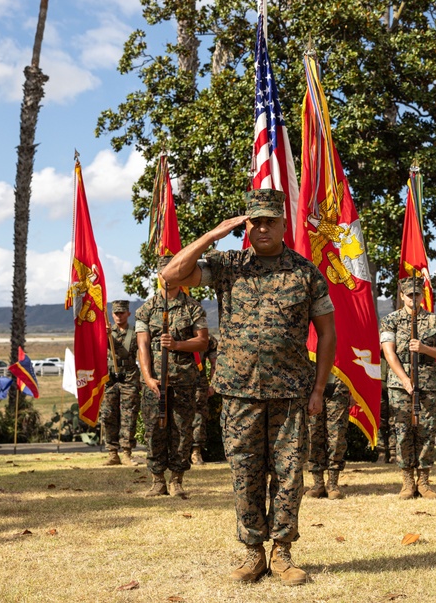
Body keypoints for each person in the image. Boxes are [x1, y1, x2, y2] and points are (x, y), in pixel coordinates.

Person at [161, 189, 337, 586]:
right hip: (239, 392)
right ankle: (253, 552)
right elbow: (171, 275)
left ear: (283, 224)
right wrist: (213, 234)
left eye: (269, 221)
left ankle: (283, 553)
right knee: (245, 472)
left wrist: (318, 388)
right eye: (254, 221)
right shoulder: (228, 265)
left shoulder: (305, 272)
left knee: (289, 475)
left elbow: (327, 334)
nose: (261, 228)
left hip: (291, 392)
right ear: (246, 224)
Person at [136, 256, 209, 499]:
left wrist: (177, 344)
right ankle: (157, 481)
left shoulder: (193, 307)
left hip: (184, 381)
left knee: (182, 430)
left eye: (173, 273)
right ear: (158, 276)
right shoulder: (146, 309)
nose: (168, 278)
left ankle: (177, 480)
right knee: (154, 430)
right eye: (163, 273)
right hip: (156, 383)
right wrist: (148, 377)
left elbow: (203, 341)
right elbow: (143, 346)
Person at [379, 278, 436, 500]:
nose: (413, 298)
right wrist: (404, 379)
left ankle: (424, 482)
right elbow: (388, 353)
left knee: (426, 431)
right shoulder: (390, 320)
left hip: (427, 384)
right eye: (409, 295)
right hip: (400, 385)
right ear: (402, 296)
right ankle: (407, 482)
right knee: (402, 431)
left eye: (417, 294)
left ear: (422, 296)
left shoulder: (435, 321)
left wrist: (424, 348)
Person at [100, 300, 141, 466]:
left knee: (129, 415)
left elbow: (131, 352)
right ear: (112, 314)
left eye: (122, 313)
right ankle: (112, 452)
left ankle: (126, 452)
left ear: (128, 314)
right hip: (110, 378)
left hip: (129, 376)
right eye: (116, 313)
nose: (119, 316)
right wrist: (104, 336)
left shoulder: (135, 332)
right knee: (108, 414)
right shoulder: (106, 331)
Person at [305, 372, 351, 499]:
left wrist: (354, 392)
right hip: (311, 381)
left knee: (337, 434)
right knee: (313, 433)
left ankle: (332, 484)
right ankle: (317, 483)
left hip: (339, 380)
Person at [191, 334, 218, 465]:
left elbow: (215, 363)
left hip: (198, 382)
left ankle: (196, 451)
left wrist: (212, 384)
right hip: (176, 380)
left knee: (199, 415)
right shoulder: (177, 335)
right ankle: (178, 452)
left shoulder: (209, 340)